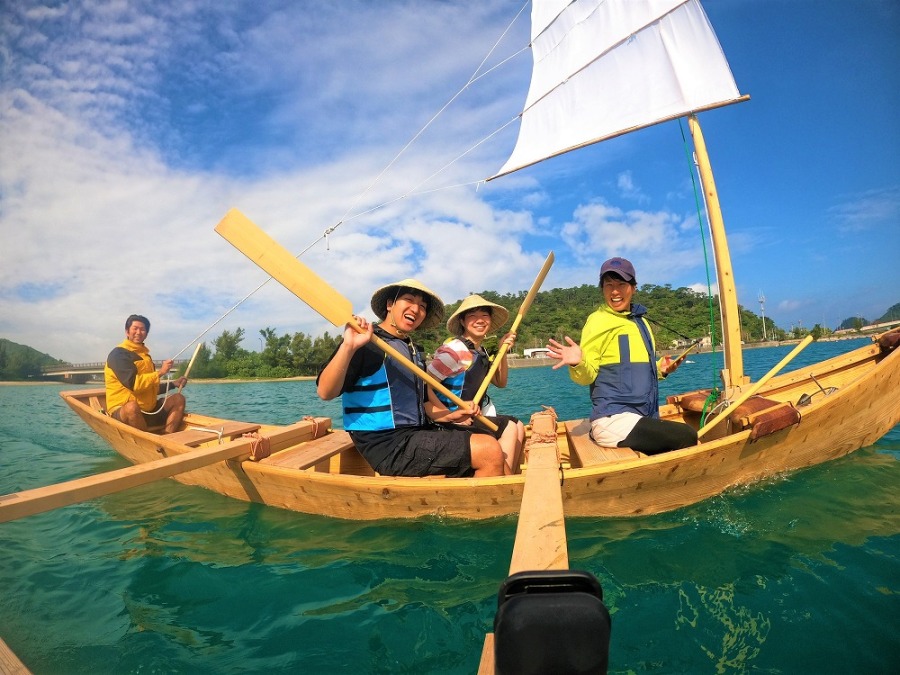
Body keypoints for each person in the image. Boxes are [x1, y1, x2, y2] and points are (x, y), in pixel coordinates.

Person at [316, 279, 506, 477]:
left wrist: (449, 415)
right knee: (488, 450)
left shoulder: (413, 350)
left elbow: (423, 403)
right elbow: (325, 392)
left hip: (416, 433)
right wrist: (348, 346)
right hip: (387, 444)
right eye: (409, 300)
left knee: (489, 439)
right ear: (390, 305)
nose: (416, 309)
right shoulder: (367, 341)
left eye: (422, 306)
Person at [546, 257, 697, 454]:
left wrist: (661, 369)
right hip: (613, 420)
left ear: (633, 288)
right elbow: (586, 376)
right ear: (602, 289)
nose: (615, 291)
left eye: (621, 284)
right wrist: (578, 363)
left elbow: (631, 370)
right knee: (687, 435)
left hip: (642, 415)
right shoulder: (597, 321)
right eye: (609, 285)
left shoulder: (640, 322)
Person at [425, 295, 525, 474]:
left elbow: (500, 382)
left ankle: (506, 474)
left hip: (470, 416)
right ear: (462, 321)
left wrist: (502, 350)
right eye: (472, 316)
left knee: (518, 425)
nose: (480, 320)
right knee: (510, 426)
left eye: (485, 315)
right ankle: (505, 479)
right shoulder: (455, 351)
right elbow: (424, 386)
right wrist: (452, 415)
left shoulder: (480, 350)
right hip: (449, 423)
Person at [104, 314, 187, 434]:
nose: (139, 332)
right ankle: (148, 443)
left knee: (179, 399)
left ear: (146, 334)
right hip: (124, 412)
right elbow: (134, 385)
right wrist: (160, 373)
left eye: (142, 329)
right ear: (127, 331)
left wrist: (174, 383)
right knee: (132, 407)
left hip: (149, 411)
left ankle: (167, 437)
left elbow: (150, 387)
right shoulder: (118, 355)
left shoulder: (146, 357)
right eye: (135, 328)